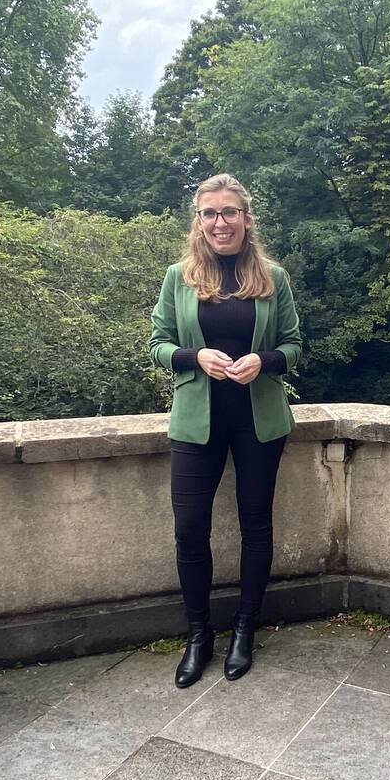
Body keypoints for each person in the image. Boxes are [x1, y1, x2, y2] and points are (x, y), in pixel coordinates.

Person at [149, 174, 304, 688]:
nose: (220, 222)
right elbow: (157, 344)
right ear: (198, 221)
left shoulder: (272, 278)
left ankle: (244, 629)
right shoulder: (179, 277)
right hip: (196, 424)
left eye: (229, 212)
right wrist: (194, 356)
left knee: (255, 526)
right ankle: (199, 636)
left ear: (246, 219)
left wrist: (265, 359)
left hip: (259, 422)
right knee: (189, 528)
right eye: (210, 213)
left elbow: (295, 345)